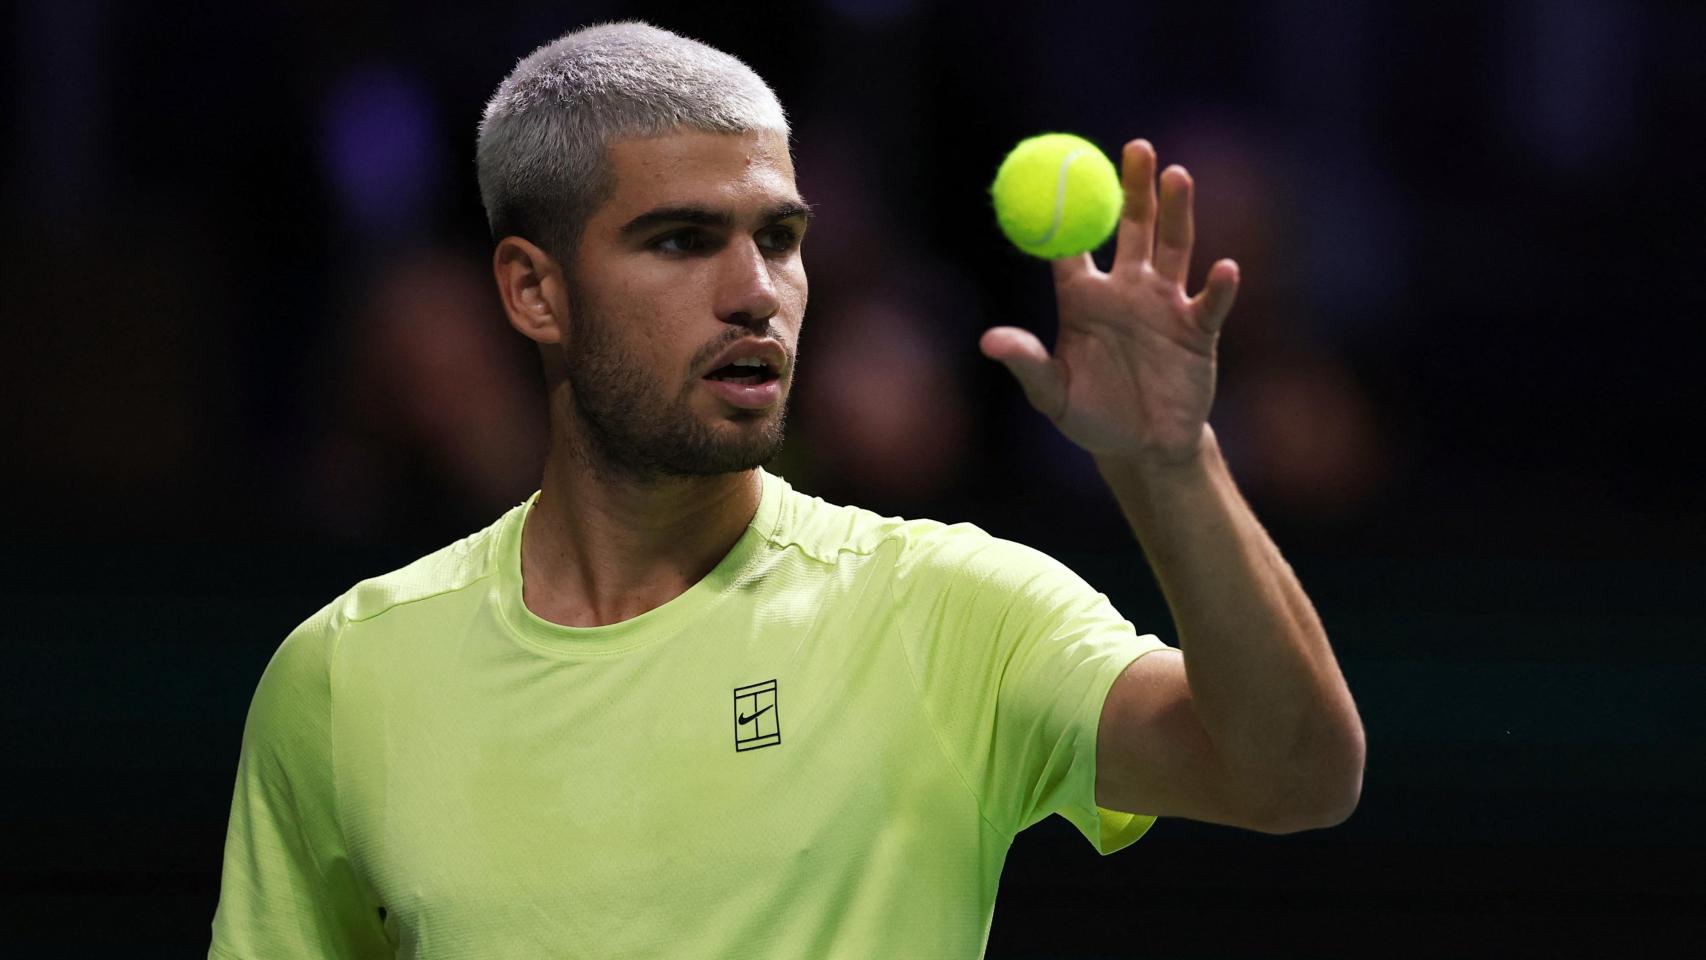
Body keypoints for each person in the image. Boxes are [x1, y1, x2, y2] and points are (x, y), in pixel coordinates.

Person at [208, 20, 1365, 960]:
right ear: (533, 292)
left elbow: (1293, 776)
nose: (756, 292)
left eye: (780, 238)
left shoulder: (949, 609)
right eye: (679, 241)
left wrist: (1170, 462)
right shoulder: (342, 677)